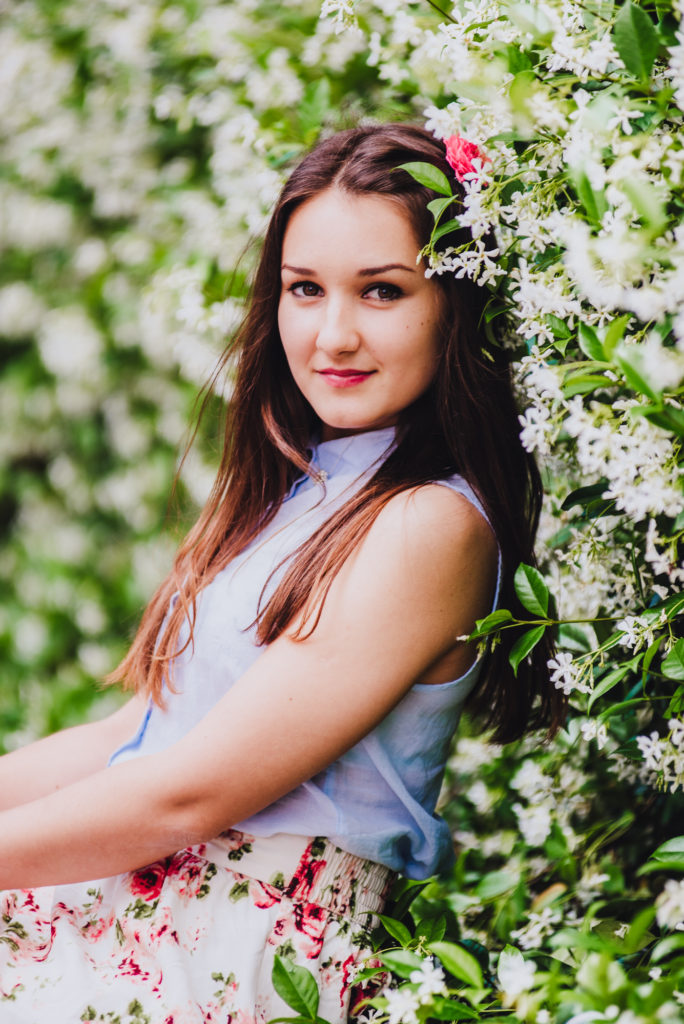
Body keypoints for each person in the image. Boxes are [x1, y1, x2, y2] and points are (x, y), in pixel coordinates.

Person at [0, 123, 564, 1023]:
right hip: (136, 907)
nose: (332, 333)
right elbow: (137, 736)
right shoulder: (299, 488)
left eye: (382, 291)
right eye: (305, 290)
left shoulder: (430, 523)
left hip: (240, 960)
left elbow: (193, 793)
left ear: (455, 302)